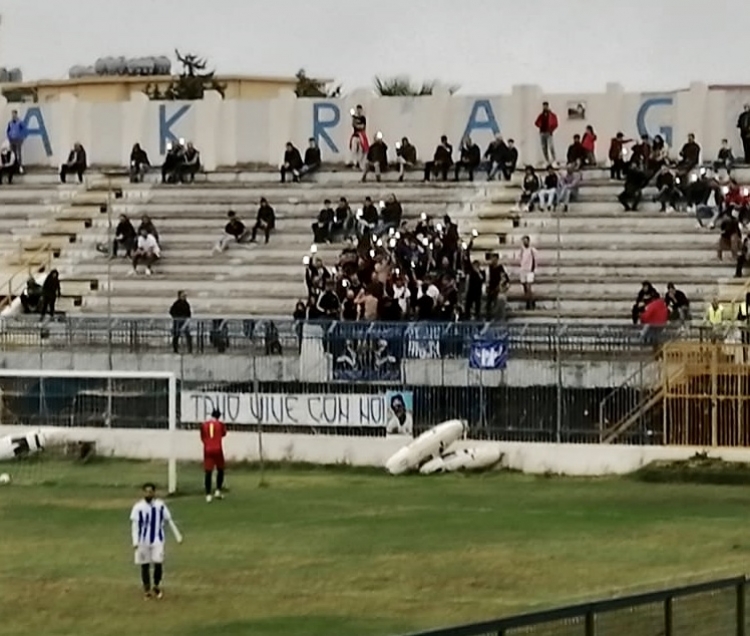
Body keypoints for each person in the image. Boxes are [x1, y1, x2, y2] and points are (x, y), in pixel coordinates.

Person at [130, 482, 183, 600]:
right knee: (144, 564)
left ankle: (156, 585)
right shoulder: (138, 507)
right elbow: (135, 525)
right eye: (146, 491)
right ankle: (147, 590)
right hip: (143, 540)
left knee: (158, 562)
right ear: (143, 493)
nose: (148, 494)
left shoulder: (160, 506)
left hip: (158, 539)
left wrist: (178, 535)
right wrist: (135, 541)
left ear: (154, 492)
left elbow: (169, 520)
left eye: (150, 491)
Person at [201, 409, 227, 503]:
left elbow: (202, 437)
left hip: (207, 450)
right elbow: (224, 434)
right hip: (218, 449)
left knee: (208, 472)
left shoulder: (204, 424)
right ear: (219, 416)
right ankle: (218, 491)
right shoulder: (220, 424)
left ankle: (208, 495)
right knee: (221, 469)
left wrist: (207, 443)